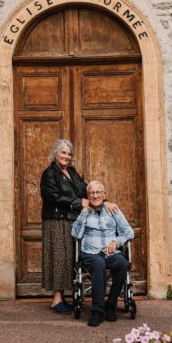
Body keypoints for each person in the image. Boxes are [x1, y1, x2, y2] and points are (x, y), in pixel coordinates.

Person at [40, 139, 118, 315]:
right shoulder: (49, 174)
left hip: (73, 221)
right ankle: (57, 299)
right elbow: (54, 196)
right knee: (59, 257)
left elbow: (86, 190)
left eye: (69, 154)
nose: (67, 156)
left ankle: (67, 296)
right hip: (56, 221)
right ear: (55, 154)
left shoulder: (72, 172)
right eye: (63, 153)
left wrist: (104, 202)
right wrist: (78, 202)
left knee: (70, 258)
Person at [71, 179, 134, 327]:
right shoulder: (84, 212)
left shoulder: (113, 210)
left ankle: (110, 305)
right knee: (98, 263)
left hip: (110, 252)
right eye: (91, 193)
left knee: (121, 263)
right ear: (88, 196)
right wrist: (84, 212)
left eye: (98, 192)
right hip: (90, 253)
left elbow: (128, 232)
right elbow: (76, 234)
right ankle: (97, 311)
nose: (95, 195)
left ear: (104, 194)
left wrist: (116, 242)